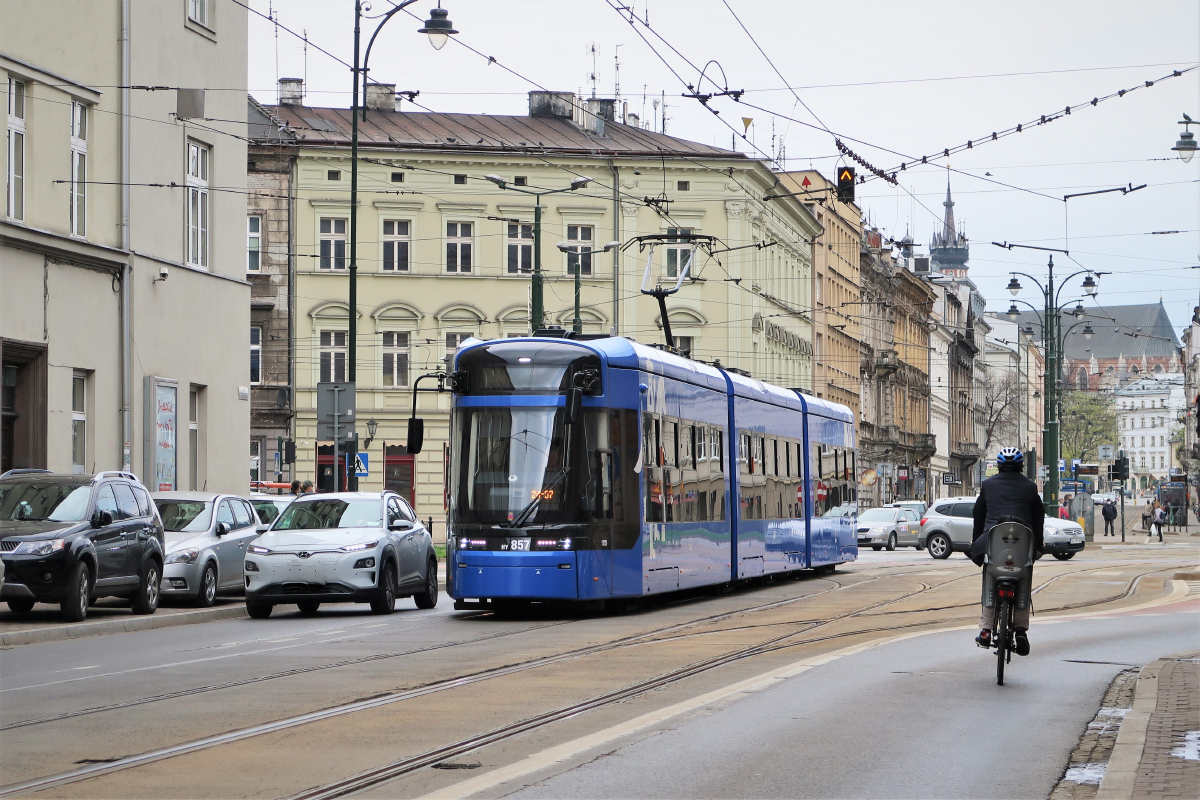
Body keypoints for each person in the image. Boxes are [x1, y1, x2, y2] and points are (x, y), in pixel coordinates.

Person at [970, 447, 1044, 656]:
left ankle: (985, 630)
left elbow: (978, 515)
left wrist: (976, 541)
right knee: (1023, 578)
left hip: (994, 542)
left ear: (999, 466)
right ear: (1021, 466)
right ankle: (1020, 630)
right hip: (1022, 543)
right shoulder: (1030, 487)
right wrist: (1038, 545)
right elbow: (1039, 517)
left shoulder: (988, 485)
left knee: (990, 576)